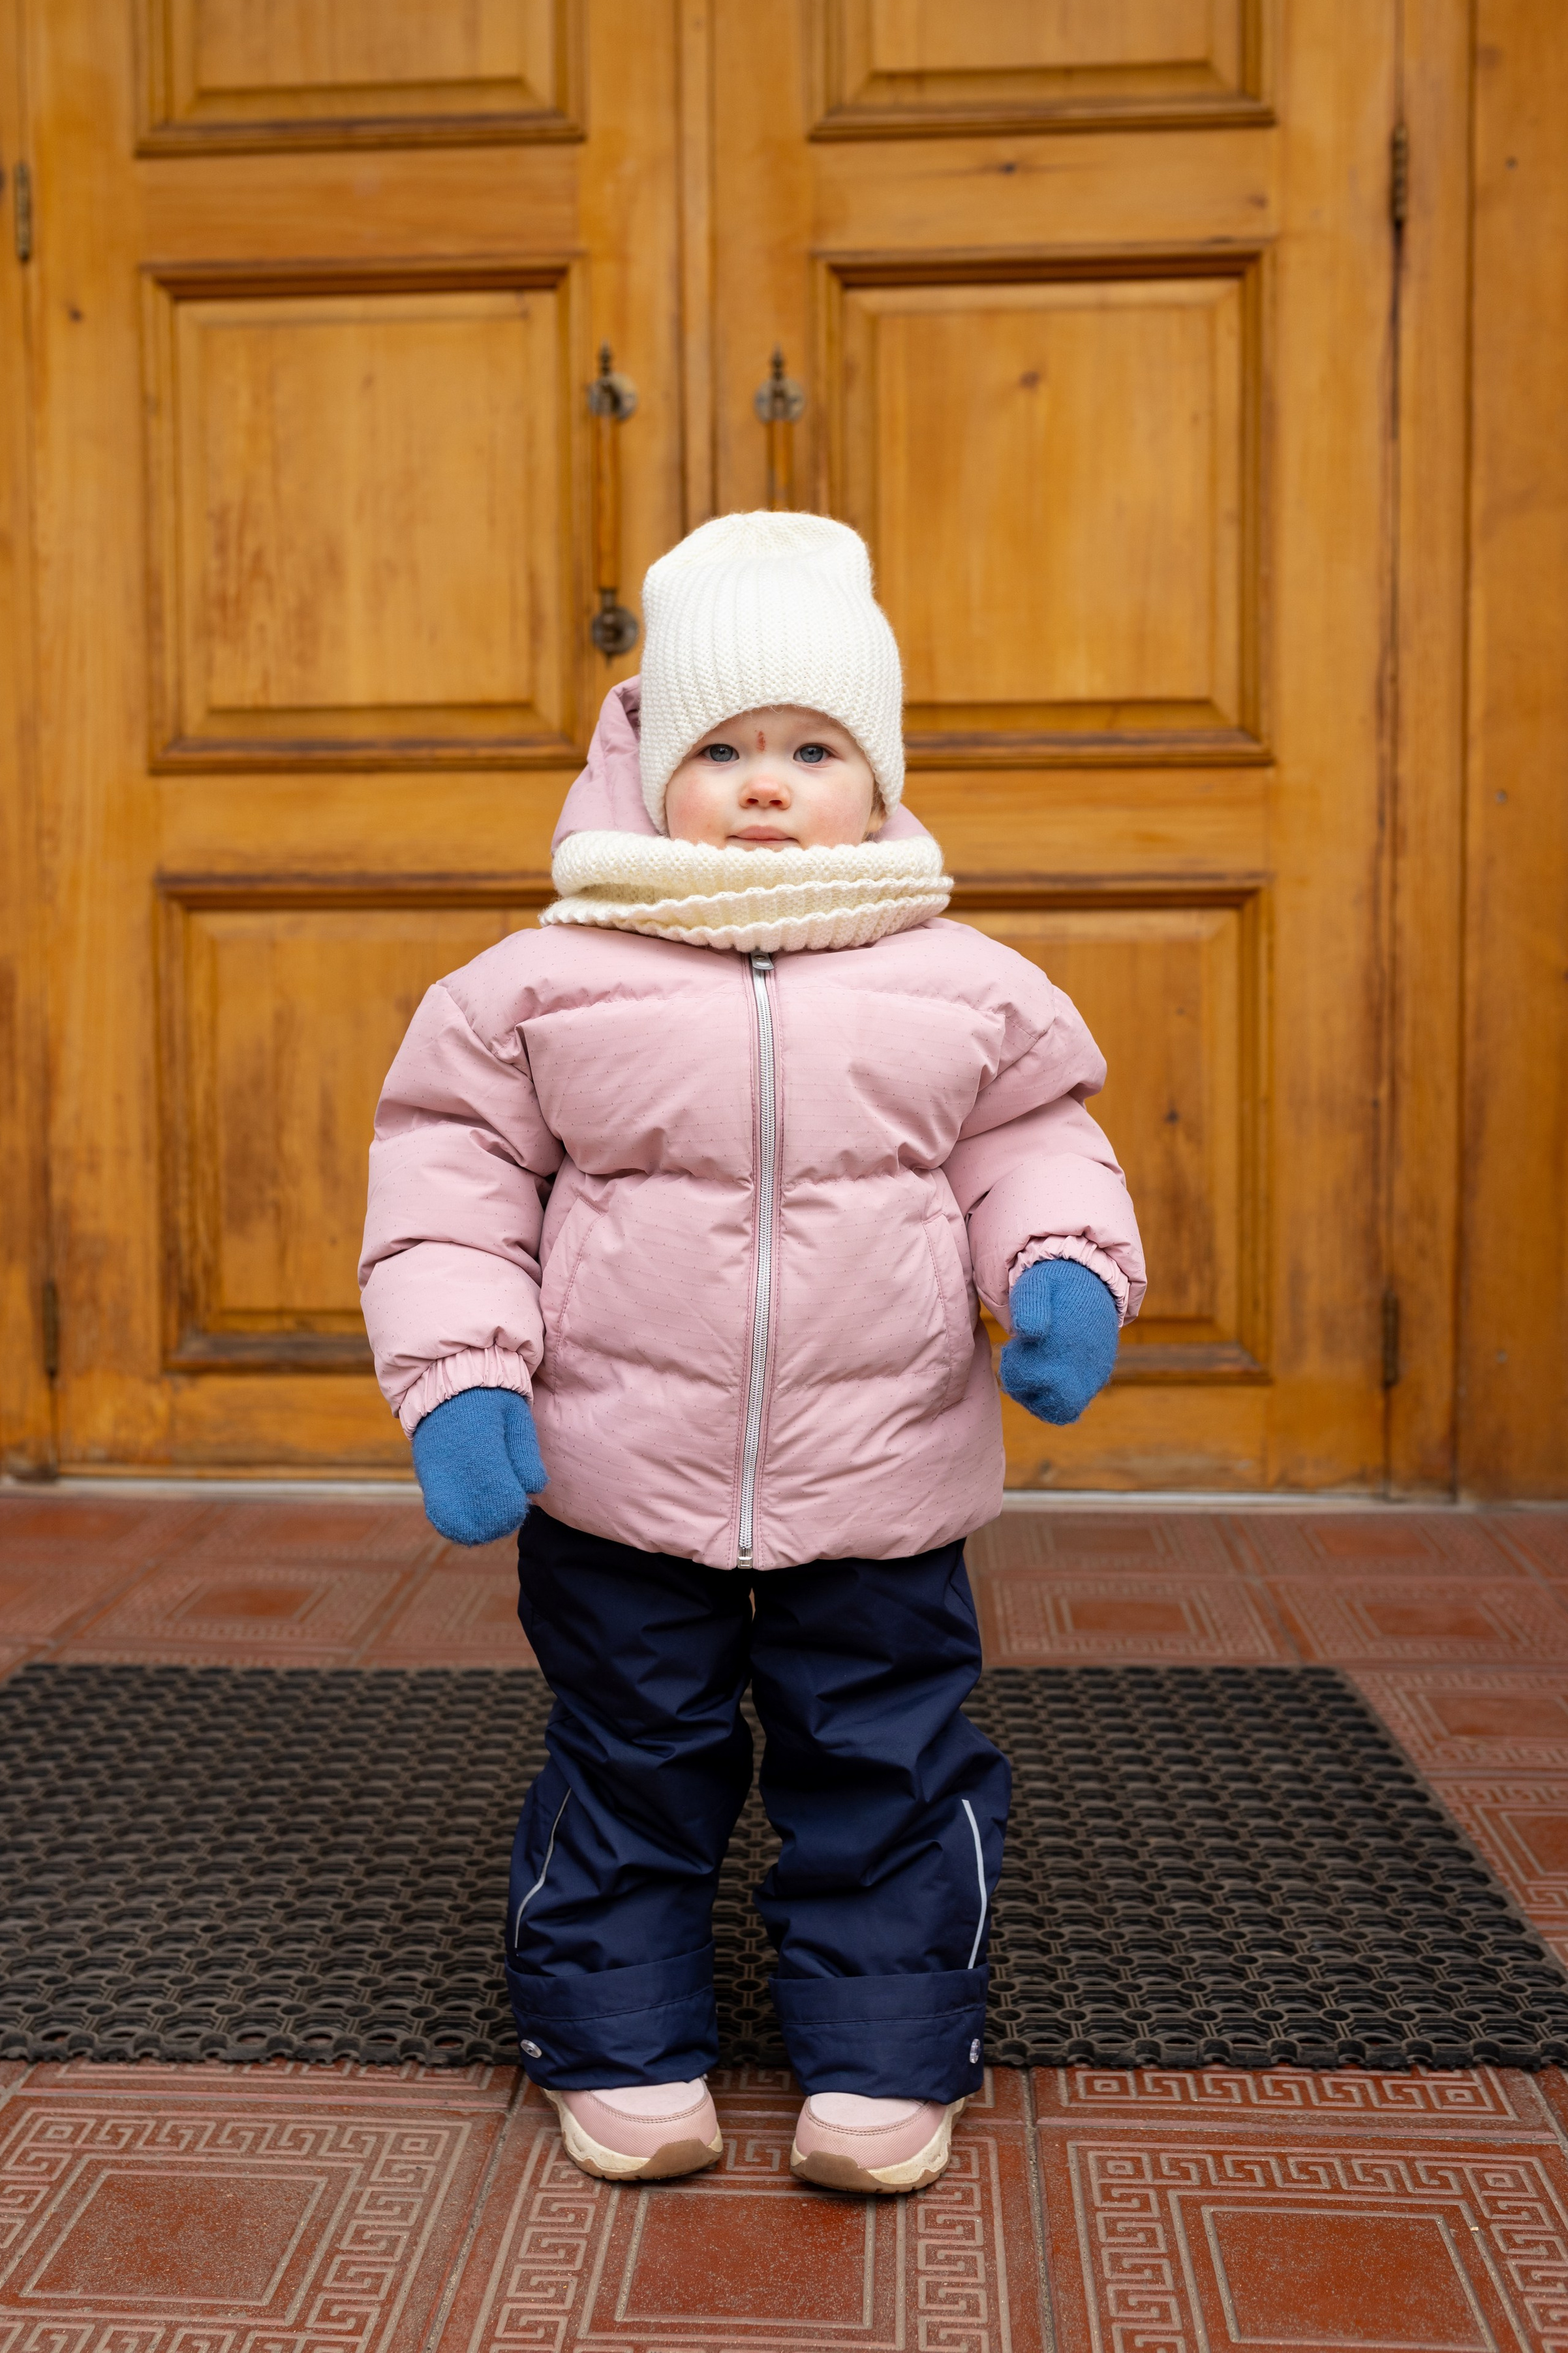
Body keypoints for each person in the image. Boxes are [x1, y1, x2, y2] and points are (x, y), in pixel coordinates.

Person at [360, 513, 1145, 2194]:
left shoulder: (962, 982)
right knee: (633, 1755)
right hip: (618, 1479)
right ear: (650, 768)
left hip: (880, 1480)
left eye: (812, 747)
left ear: (881, 774)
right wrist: (462, 1377)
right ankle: (618, 2043)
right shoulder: (540, 982)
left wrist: (1065, 1269)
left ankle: (885, 2054)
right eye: (721, 747)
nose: (767, 784)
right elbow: (446, 1190)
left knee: (886, 1759)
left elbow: (1038, 1149)